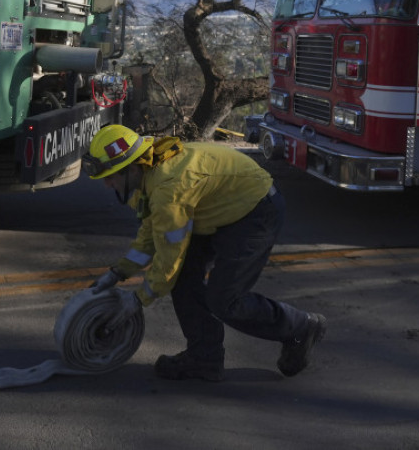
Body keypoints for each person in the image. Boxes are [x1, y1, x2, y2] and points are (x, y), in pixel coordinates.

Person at [82, 124, 326, 382]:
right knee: (184, 280)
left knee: (224, 300)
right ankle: (204, 359)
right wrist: (118, 272)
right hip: (217, 208)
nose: (107, 185)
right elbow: (151, 234)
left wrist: (138, 299)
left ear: (132, 168)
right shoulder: (149, 171)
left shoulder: (168, 188)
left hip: (255, 210)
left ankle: (301, 327)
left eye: (110, 177)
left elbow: (168, 259)